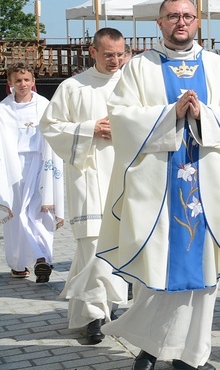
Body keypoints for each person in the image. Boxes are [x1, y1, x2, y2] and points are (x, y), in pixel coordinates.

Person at [96, 0, 220, 370]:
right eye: (172, 16)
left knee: (202, 276)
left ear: (197, 22)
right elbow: (121, 116)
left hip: (207, 189)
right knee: (157, 267)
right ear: (159, 23)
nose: (180, 23)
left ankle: (191, 356)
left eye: (187, 16)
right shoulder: (139, 68)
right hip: (157, 191)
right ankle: (152, 348)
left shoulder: (218, 67)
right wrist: (170, 114)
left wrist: (202, 114)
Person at [40, 27, 130, 345]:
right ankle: (94, 316)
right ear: (93, 52)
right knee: (92, 247)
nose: (115, 60)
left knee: (117, 247)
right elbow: (49, 126)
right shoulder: (73, 87)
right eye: (108, 55)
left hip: (125, 178)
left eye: (120, 54)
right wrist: (90, 128)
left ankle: (107, 306)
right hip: (90, 177)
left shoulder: (134, 84)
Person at [0, 62, 64, 282]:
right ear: (10, 83)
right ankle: (20, 264)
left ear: (33, 81)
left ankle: (41, 259)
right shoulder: (3, 109)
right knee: (17, 215)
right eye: (18, 81)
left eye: (26, 80)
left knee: (37, 212)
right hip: (13, 167)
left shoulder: (45, 105)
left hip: (40, 165)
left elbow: (53, 133)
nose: (23, 84)